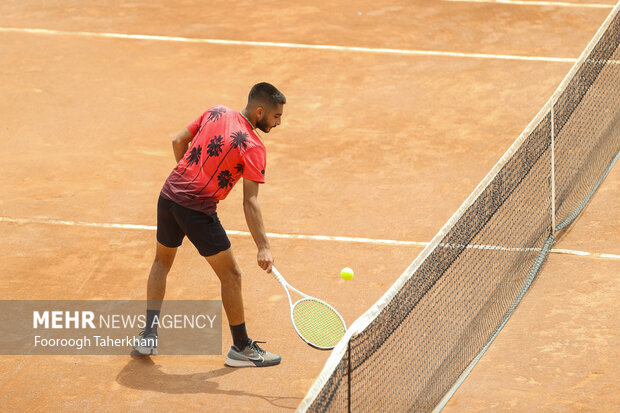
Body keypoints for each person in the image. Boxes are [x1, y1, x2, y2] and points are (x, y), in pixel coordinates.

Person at [133, 82, 286, 367]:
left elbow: (178, 141)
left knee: (161, 262)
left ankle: (148, 335)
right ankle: (241, 347)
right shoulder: (253, 147)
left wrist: (189, 175)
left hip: (169, 195)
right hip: (197, 210)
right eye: (276, 116)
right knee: (232, 276)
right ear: (260, 111)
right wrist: (263, 246)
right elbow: (250, 202)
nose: (279, 122)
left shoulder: (216, 111)